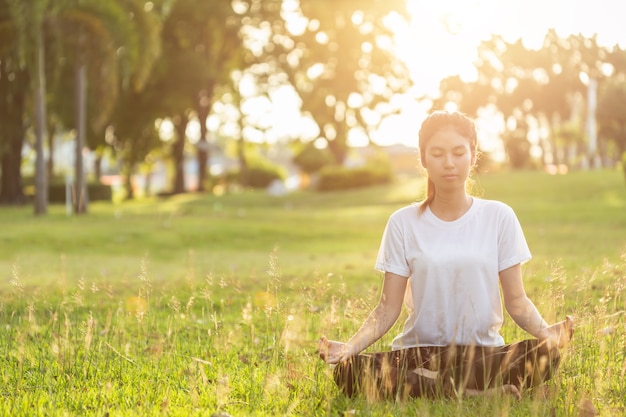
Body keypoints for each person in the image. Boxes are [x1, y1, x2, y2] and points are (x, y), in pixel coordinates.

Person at [318, 110, 574, 400]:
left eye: (458, 152)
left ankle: (434, 387)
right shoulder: (402, 223)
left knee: (546, 355)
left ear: (472, 154)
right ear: (424, 158)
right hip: (419, 354)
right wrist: (350, 348)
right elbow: (388, 308)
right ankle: (473, 394)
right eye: (437, 154)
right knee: (348, 370)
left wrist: (546, 333)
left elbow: (516, 301)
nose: (449, 163)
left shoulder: (499, 216)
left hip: (482, 355)